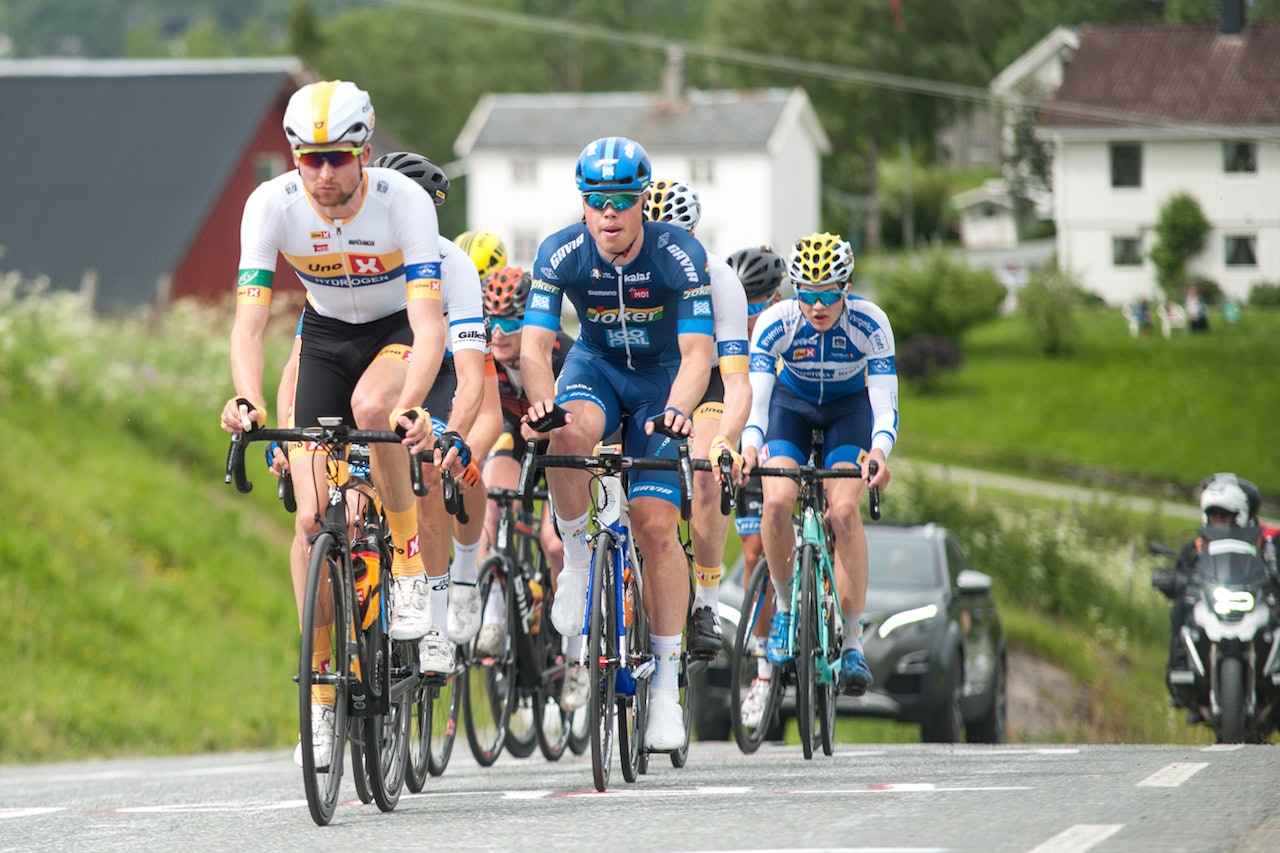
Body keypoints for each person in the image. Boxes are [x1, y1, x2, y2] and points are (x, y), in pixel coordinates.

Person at [220, 81, 445, 770]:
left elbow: (430, 321)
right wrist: (247, 400)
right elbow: (251, 321)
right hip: (322, 339)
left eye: (336, 159)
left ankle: (406, 560)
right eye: (308, 158)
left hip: (393, 334)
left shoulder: (402, 202)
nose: (322, 174)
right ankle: (320, 699)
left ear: (363, 153)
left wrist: (414, 399)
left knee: (375, 413)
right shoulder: (271, 205)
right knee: (312, 522)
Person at [521, 136, 715, 749]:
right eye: (598, 200)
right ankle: (578, 559)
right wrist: (542, 400)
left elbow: (698, 352)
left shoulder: (678, 254)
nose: (610, 213)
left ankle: (663, 690)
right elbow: (533, 345)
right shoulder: (561, 252)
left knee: (655, 525)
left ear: (642, 204)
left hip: (662, 383)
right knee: (565, 434)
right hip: (596, 369)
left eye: (623, 200)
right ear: (584, 205)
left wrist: (681, 411)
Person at [741, 232, 897, 700]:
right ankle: (786, 608)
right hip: (790, 407)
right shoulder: (776, 322)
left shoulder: (871, 323)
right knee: (776, 504)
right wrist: (750, 446)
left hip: (849, 412)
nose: (818, 306)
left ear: (846, 287)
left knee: (845, 512)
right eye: (807, 294)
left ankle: (851, 642)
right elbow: (758, 404)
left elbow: (885, 402)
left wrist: (880, 452)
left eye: (829, 294)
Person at [645, 178, 751, 659]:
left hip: (706, 382)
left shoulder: (720, 280)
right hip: (646, 378)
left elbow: (736, 381)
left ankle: (705, 602)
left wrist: (727, 438)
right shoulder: (621, 267)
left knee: (709, 475)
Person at [475, 266, 574, 654]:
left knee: (554, 544)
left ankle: (573, 649)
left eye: (510, 322)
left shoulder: (561, 353)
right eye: (490, 320)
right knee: (490, 498)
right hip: (514, 434)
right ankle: (493, 617)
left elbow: (576, 423)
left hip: (558, 441)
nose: (497, 332)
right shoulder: (483, 351)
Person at [721, 245, 786, 726]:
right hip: (748, 450)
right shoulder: (727, 341)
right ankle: (763, 669)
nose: (749, 319)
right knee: (751, 553)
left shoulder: (792, 330)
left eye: (757, 306)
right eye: (741, 307)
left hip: (797, 443)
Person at [1158, 473, 1271, 715]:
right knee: (1181, 610)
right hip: (1214, 602)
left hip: (1252, 602)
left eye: (1225, 516)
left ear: (1241, 515)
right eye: (1214, 516)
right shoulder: (1199, 545)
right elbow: (1181, 568)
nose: (1219, 521)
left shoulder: (1264, 543)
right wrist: (1173, 580)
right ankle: (1182, 670)